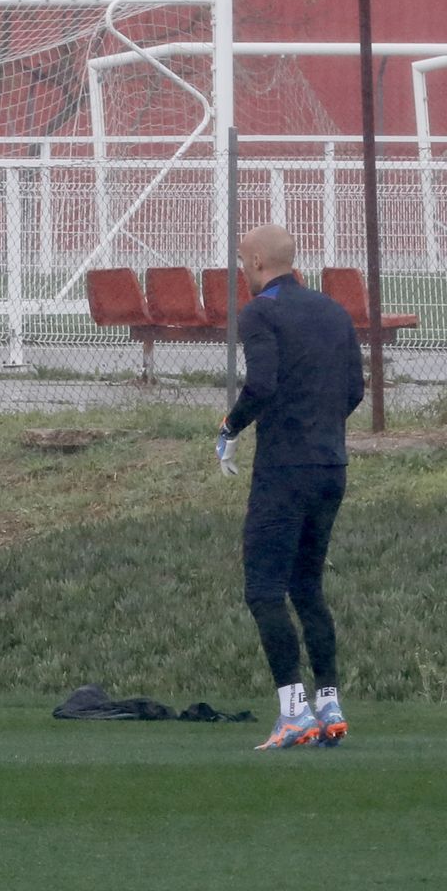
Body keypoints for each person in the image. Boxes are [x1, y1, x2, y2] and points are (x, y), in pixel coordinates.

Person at [217, 224, 365, 750]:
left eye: (240, 261)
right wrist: (320, 426)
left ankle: (293, 710)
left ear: (257, 261)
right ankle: (330, 704)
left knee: (263, 590)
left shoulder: (260, 312)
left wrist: (230, 428)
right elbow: (354, 389)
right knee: (308, 588)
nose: (240, 270)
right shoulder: (333, 311)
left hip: (284, 471)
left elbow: (262, 383)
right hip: (332, 468)